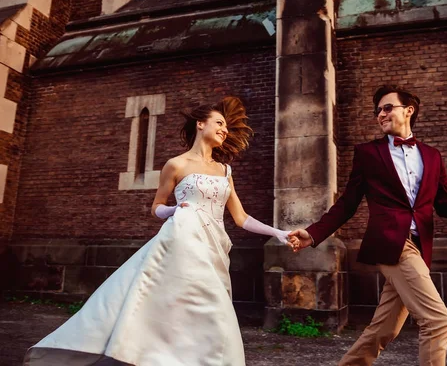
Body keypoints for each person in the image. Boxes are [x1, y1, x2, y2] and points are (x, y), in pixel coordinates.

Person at [24, 96, 297, 366]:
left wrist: (279, 233)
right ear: (200, 124)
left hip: (214, 245)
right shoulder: (176, 165)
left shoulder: (225, 171)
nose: (225, 129)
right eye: (219, 123)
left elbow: (241, 218)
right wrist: (174, 210)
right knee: (204, 304)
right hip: (181, 240)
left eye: (226, 125)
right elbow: (157, 207)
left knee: (203, 308)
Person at [289, 85, 447, 366]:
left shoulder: (432, 155)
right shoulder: (368, 153)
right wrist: (313, 234)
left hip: (419, 246)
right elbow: (348, 203)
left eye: (387, 108)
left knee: (384, 328)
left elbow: (442, 202)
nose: (381, 114)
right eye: (378, 111)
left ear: (408, 111)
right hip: (391, 244)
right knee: (438, 321)